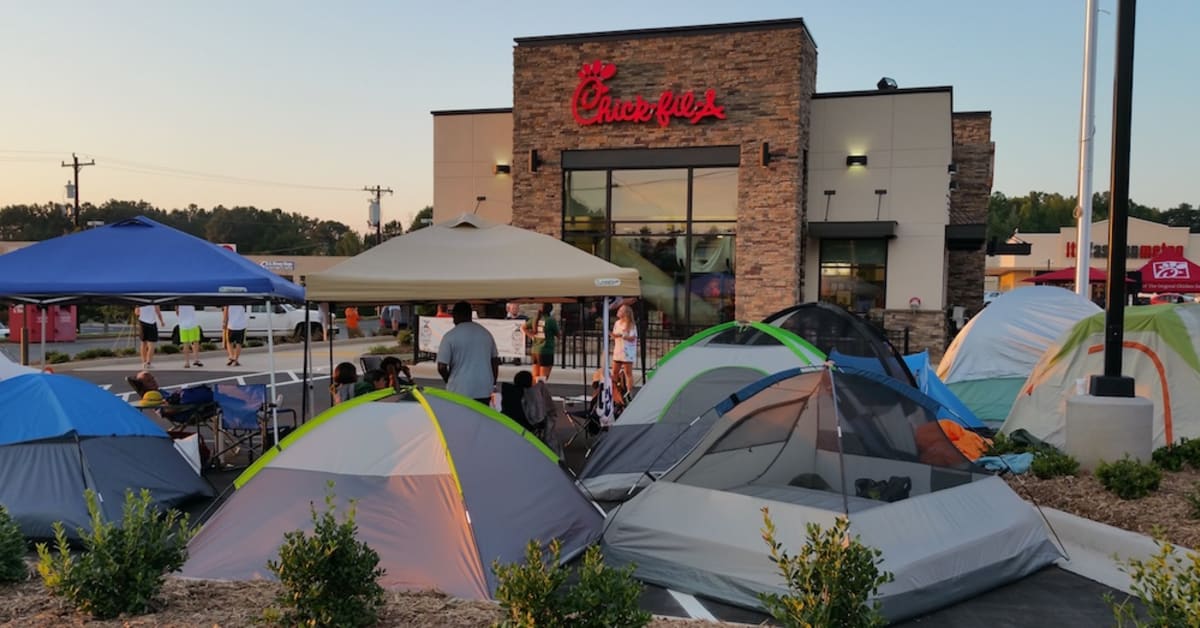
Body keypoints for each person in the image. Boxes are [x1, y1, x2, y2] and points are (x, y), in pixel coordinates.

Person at [437, 301, 500, 405]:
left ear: (455, 315)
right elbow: (494, 361)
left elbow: (441, 367)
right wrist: (492, 383)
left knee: (460, 420)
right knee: (480, 420)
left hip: (459, 390)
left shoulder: (450, 336)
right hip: (483, 389)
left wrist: (450, 381)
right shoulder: (485, 333)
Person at [523, 303, 558, 382]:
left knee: (535, 376)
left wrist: (531, 335)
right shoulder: (550, 320)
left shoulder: (535, 319)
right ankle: (539, 393)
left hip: (535, 350)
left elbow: (523, 327)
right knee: (543, 378)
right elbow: (559, 334)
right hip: (546, 350)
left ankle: (532, 391)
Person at [610, 303, 638, 406]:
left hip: (627, 351)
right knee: (615, 372)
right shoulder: (617, 323)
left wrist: (624, 336)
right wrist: (613, 335)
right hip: (618, 350)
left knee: (628, 373)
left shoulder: (631, 325)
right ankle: (615, 391)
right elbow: (614, 335)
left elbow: (633, 337)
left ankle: (629, 392)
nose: (618, 312)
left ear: (625, 313)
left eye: (620, 310)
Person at [136, 305, 164, 369]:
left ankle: (144, 362)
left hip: (142, 322)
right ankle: (148, 363)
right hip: (151, 323)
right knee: (151, 344)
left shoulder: (140, 300)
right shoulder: (154, 300)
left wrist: (143, 313)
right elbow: (158, 312)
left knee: (143, 343)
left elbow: (136, 312)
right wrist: (162, 321)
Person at [177, 304, 202, 369]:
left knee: (185, 343)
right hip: (193, 323)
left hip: (183, 325)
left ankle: (187, 362)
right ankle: (196, 359)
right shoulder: (191, 298)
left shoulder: (178, 301)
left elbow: (177, 312)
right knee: (195, 342)